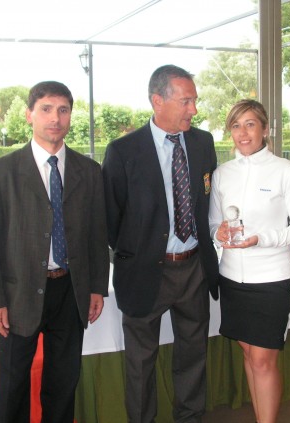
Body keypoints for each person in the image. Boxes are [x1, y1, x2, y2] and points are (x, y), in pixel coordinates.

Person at [0, 81, 110, 423]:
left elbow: (97, 235)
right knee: (11, 386)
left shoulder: (89, 171)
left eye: (63, 110)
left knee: (63, 383)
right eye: (47, 109)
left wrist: (97, 286)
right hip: (17, 294)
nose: (56, 118)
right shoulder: (0, 172)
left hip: (71, 291)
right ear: (29, 115)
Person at [102, 64, 219, 423]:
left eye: (195, 101)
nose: (194, 110)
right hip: (144, 272)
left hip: (194, 267)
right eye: (186, 101)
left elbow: (207, 200)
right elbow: (110, 218)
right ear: (157, 101)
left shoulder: (202, 143)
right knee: (140, 362)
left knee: (193, 354)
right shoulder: (123, 151)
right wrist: (137, 253)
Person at [208, 99, 290, 423]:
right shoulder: (223, 174)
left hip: (271, 279)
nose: (243, 132)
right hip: (233, 280)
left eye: (250, 124)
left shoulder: (286, 171)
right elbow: (213, 224)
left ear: (265, 129)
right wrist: (220, 233)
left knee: (264, 360)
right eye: (236, 125)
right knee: (250, 355)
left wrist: (263, 239)